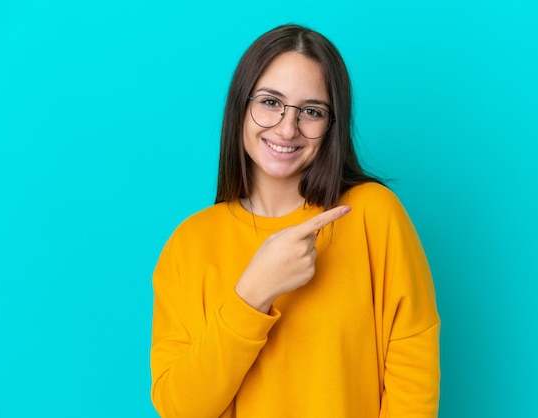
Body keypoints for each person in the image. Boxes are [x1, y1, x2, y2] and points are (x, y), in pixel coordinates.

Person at [150, 24, 440, 417]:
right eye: (270, 102)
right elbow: (181, 408)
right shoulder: (191, 243)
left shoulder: (372, 213)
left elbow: (412, 367)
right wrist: (254, 293)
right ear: (241, 106)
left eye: (311, 111)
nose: (288, 128)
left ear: (331, 126)